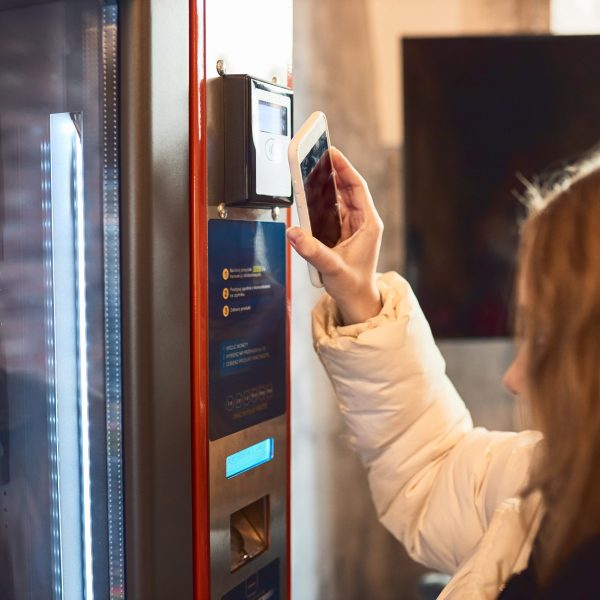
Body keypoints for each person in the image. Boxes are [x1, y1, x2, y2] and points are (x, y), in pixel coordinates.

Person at [286, 148, 600, 599]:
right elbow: (430, 470)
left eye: (548, 339)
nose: (514, 379)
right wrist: (362, 298)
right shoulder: (562, 483)